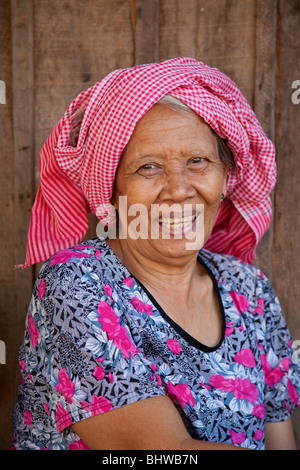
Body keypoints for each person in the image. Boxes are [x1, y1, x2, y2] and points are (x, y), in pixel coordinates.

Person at [12, 57, 300, 450]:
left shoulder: (248, 289)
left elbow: (280, 441)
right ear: (110, 190)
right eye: (148, 167)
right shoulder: (77, 283)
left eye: (198, 161)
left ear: (224, 178)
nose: (178, 189)